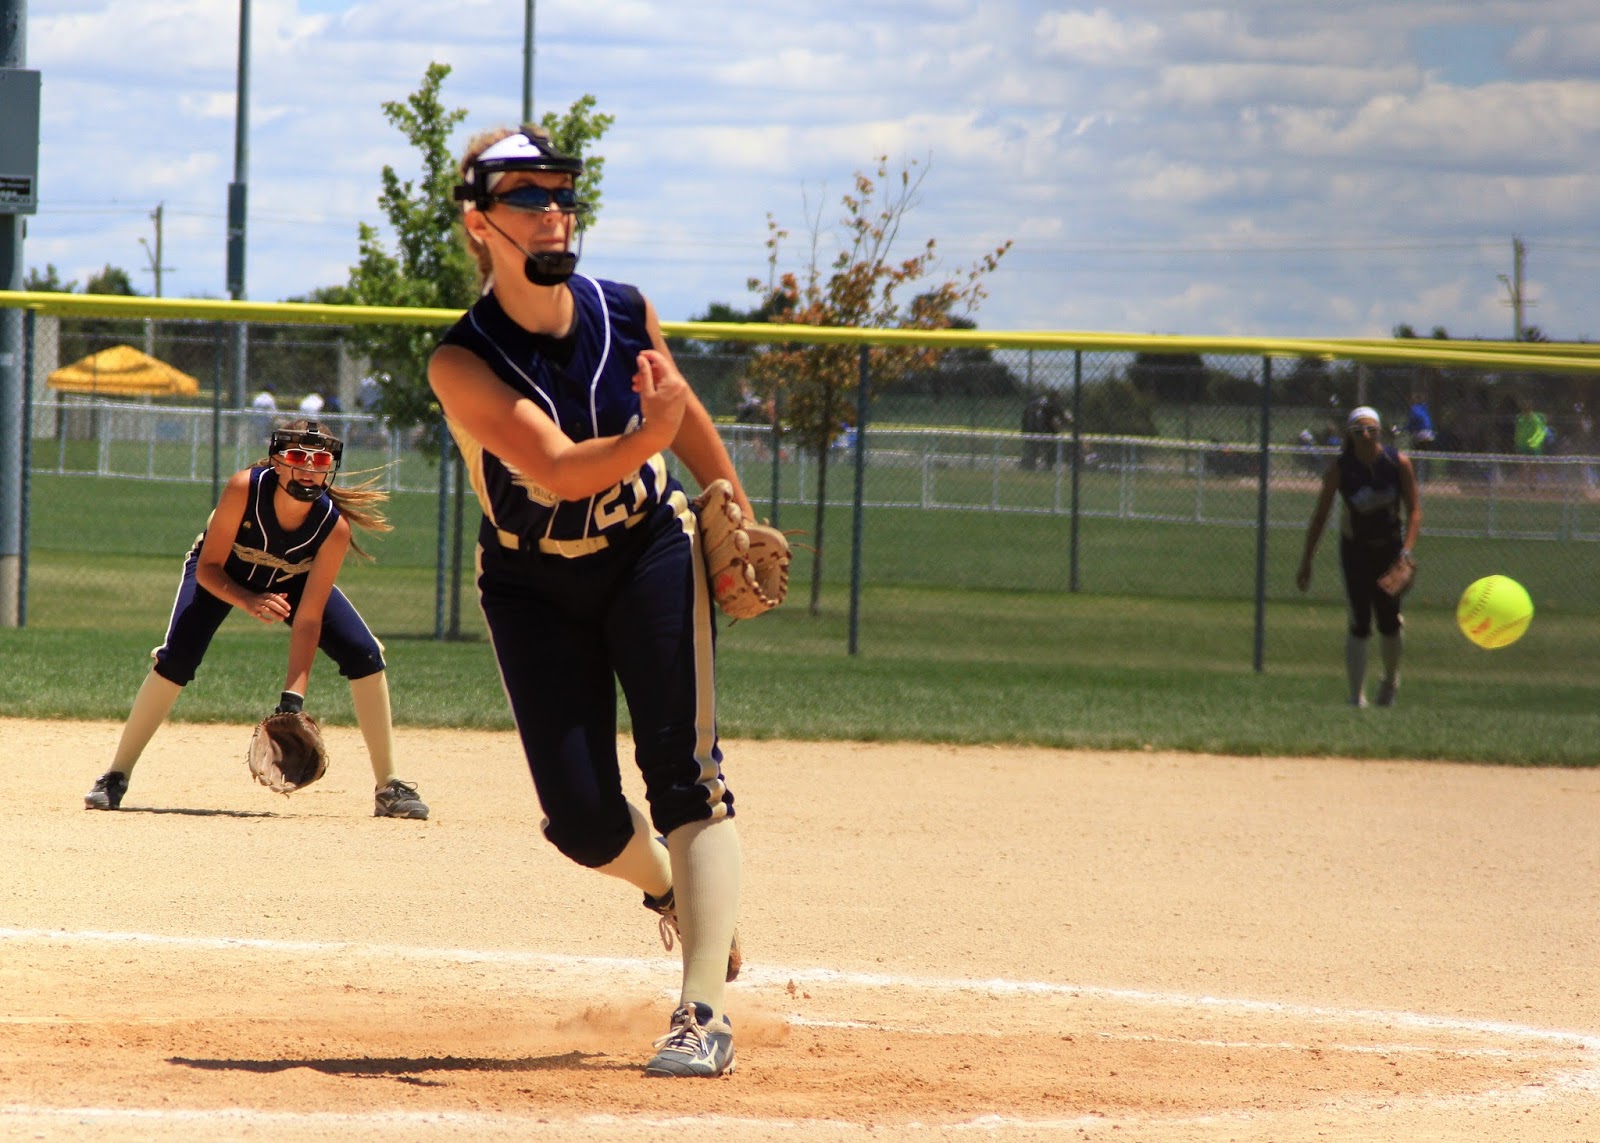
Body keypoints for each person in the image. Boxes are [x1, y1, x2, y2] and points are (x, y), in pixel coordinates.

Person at [427, 126, 754, 1078]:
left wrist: (728, 504)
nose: (551, 212)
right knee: (580, 819)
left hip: (649, 548)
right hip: (530, 580)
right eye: (525, 197)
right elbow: (559, 470)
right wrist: (651, 427)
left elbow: (680, 408)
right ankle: (668, 891)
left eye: (561, 194)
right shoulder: (464, 362)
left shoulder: (623, 308)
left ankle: (703, 1012)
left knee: (684, 770)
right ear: (479, 222)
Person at [83, 420, 429, 820]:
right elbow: (210, 568)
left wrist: (292, 703)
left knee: (364, 653)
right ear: (278, 461)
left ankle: (389, 786)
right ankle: (115, 776)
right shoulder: (245, 488)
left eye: (319, 460)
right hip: (223, 574)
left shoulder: (332, 527)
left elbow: (309, 620)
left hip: (292, 577)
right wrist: (248, 600)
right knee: (177, 657)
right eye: (298, 457)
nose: (308, 468)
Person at [1295, 406, 1422, 709]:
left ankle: (1390, 683)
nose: (1366, 435)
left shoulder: (1397, 463)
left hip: (1390, 550)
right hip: (1356, 550)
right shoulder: (1342, 468)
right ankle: (1356, 697)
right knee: (1359, 620)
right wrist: (1307, 560)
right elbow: (1320, 516)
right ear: (1350, 435)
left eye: (1372, 429)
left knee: (1389, 621)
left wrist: (1406, 550)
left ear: (1380, 431)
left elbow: (1414, 510)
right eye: (1359, 430)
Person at [1020, 392, 1069, 471]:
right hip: (1041, 430)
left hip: (1034, 429)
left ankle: (1031, 465)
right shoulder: (1051, 406)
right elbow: (1061, 416)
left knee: (1034, 448)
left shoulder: (1038, 407)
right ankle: (1040, 465)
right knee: (1043, 448)